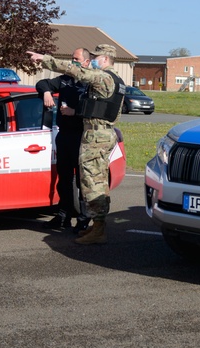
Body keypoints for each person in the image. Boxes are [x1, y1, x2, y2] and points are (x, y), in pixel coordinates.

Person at [27, 43, 127, 245]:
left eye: (97, 57)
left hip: (96, 137)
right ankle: (97, 226)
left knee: (92, 184)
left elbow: (75, 70)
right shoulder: (117, 79)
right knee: (96, 182)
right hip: (100, 134)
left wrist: (45, 58)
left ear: (105, 59)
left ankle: (98, 229)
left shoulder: (105, 77)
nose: (95, 61)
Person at [35, 47, 90, 232]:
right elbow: (42, 83)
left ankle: (83, 220)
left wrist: (76, 112)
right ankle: (63, 216)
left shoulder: (91, 82)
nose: (73, 62)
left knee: (82, 181)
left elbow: (98, 109)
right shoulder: (65, 79)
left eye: (76, 59)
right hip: (64, 135)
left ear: (86, 62)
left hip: (82, 136)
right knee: (64, 178)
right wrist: (47, 92)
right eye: (71, 58)